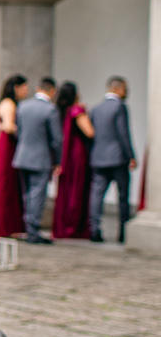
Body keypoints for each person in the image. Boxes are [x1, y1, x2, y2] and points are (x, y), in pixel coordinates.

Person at [12, 77, 63, 244]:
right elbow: (56, 139)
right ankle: (33, 230)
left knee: (27, 194)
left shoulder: (23, 106)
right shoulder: (50, 110)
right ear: (52, 91)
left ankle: (29, 228)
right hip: (40, 158)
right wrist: (58, 160)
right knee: (37, 194)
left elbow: (19, 131)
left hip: (22, 156)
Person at [89, 76, 138, 243]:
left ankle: (95, 230)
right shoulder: (120, 107)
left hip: (98, 158)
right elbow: (123, 133)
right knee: (123, 196)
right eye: (125, 88)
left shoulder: (96, 109)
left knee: (97, 195)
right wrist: (131, 156)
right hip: (117, 159)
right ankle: (123, 233)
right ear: (118, 88)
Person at [0, 75, 28, 237]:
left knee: (6, 185)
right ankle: (1, 224)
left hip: (6, 144)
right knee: (5, 185)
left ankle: (5, 224)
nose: (26, 91)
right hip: (8, 145)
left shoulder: (5, 102)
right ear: (17, 87)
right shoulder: (9, 104)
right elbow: (9, 127)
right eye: (25, 87)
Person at [52, 81, 95, 240]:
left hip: (65, 154)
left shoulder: (59, 110)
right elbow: (89, 132)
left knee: (66, 189)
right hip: (77, 154)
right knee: (76, 188)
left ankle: (64, 223)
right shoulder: (77, 110)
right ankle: (74, 225)